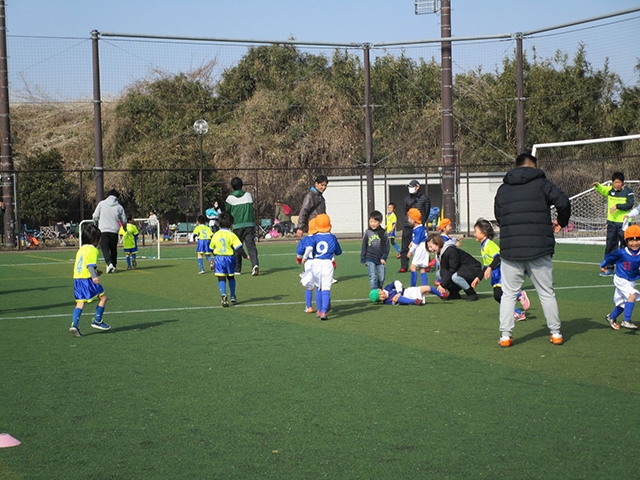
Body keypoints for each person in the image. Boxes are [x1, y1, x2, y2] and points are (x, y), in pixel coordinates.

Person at [494, 153, 571, 347]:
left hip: (511, 250)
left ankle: (505, 335)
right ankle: (555, 333)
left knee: (508, 294)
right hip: (539, 249)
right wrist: (561, 222)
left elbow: (499, 215)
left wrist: (511, 231)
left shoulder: (503, 189)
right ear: (534, 167)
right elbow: (564, 202)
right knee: (546, 293)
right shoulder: (542, 183)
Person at [471, 218, 530, 321]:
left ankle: (518, 294)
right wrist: (478, 278)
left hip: (501, 271)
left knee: (499, 294)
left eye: (476, 231)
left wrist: (490, 268)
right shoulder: (483, 246)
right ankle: (518, 312)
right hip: (495, 275)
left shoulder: (489, 244)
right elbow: (486, 266)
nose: (474, 234)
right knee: (498, 296)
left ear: (484, 233)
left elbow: (498, 257)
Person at [69, 224, 110, 337]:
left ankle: (74, 325)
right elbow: (90, 266)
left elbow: (82, 266)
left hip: (77, 279)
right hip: (88, 279)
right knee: (103, 298)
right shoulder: (93, 250)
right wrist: (95, 277)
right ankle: (97, 320)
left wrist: (96, 273)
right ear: (95, 239)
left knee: (80, 303)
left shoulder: (81, 249)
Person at [593, 172, 634, 276]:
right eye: (615, 182)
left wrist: (617, 206)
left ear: (622, 183)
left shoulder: (628, 192)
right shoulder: (610, 190)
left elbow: (630, 205)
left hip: (624, 224)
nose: (617, 184)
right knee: (610, 246)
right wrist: (597, 185)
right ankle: (609, 268)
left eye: (619, 182)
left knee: (625, 246)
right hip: (612, 223)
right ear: (612, 183)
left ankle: (625, 268)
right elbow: (602, 189)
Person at [600, 224, 640, 330]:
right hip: (621, 279)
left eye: (637, 240)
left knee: (622, 304)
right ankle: (626, 320)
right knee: (632, 296)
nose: (634, 243)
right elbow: (609, 258)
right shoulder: (622, 252)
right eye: (631, 240)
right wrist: (603, 265)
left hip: (631, 280)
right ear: (626, 241)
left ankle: (611, 317)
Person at [427, 233, 482, 302]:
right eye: (428, 247)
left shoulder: (450, 251)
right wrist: (443, 285)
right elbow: (444, 270)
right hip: (462, 269)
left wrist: (443, 285)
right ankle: (454, 293)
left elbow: (452, 269)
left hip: (473, 268)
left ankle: (472, 294)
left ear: (437, 243)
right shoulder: (440, 253)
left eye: (431, 246)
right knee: (439, 273)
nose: (430, 249)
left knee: (455, 277)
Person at [307, 213, 341, 321]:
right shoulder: (332, 237)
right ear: (330, 226)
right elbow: (338, 251)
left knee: (319, 287)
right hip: (327, 263)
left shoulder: (313, 238)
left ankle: (318, 309)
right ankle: (324, 311)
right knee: (326, 289)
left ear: (316, 227)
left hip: (315, 263)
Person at [225, 177, 259, 276]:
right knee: (251, 246)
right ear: (242, 185)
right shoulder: (249, 196)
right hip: (249, 224)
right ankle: (255, 265)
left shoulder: (229, 198)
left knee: (237, 246)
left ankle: (237, 269)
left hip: (236, 226)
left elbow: (227, 211)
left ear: (232, 186)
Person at [210, 212, 246, 307]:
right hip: (230, 258)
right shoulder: (232, 235)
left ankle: (223, 294)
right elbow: (238, 247)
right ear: (231, 224)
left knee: (221, 277)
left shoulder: (216, 235)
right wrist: (246, 256)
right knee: (231, 277)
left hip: (219, 258)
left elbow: (211, 248)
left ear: (219, 223)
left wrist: (212, 258)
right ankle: (233, 295)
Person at [92, 189, 127, 273]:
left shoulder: (102, 204)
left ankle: (109, 263)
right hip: (114, 231)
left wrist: (95, 224)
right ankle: (114, 265)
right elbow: (124, 220)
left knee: (105, 248)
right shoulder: (119, 207)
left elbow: (95, 216)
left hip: (103, 230)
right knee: (113, 249)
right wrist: (124, 228)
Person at [399, 179, 430, 273]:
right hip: (407, 225)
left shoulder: (425, 198)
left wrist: (421, 221)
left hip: (419, 225)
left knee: (423, 245)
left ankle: (426, 264)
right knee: (405, 246)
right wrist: (410, 220)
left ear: (417, 187)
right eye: (409, 187)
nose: (410, 189)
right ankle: (404, 266)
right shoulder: (407, 199)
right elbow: (405, 211)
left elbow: (427, 211)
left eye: (412, 186)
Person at [361, 210, 389, 291]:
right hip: (370, 258)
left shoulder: (383, 233)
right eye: (371, 221)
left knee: (381, 277)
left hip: (380, 259)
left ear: (380, 222)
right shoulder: (367, 232)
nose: (373, 224)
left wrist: (384, 257)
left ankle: (379, 290)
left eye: (375, 222)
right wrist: (363, 258)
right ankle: (374, 294)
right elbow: (364, 245)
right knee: (372, 276)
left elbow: (387, 247)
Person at [369, 279, 446, 305]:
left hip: (408, 291)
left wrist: (399, 292)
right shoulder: (387, 301)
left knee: (427, 288)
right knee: (399, 299)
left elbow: (397, 282)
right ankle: (415, 301)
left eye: (380, 294)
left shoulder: (387, 288)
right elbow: (396, 301)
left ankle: (441, 295)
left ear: (379, 290)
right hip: (406, 298)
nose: (382, 296)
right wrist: (396, 299)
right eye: (380, 298)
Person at [297, 218, 318, 313]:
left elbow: (299, 253)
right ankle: (321, 308)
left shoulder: (304, 240)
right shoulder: (319, 239)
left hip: (308, 263)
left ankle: (309, 306)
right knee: (319, 286)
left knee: (309, 287)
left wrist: (299, 259)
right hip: (319, 262)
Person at [406, 208, 430, 287]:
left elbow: (417, 242)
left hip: (421, 248)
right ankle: (425, 285)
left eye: (409, 218)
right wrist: (411, 242)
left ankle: (412, 286)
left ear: (414, 219)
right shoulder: (419, 228)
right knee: (422, 268)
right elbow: (416, 240)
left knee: (412, 267)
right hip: (423, 247)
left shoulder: (419, 229)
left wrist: (410, 251)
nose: (408, 219)